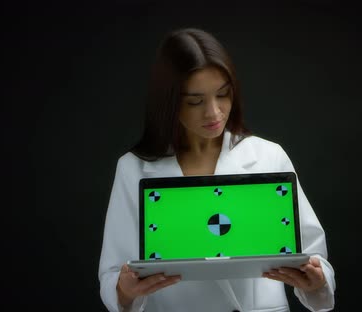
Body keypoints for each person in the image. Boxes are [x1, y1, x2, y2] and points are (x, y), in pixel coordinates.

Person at [98, 27, 336, 312]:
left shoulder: (268, 157)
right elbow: (114, 275)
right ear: (169, 102)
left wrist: (316, 281)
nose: (214, 113)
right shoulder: (134, 169)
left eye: (223, 95)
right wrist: (125, 290)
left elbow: (313, 257)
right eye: (195, 101)